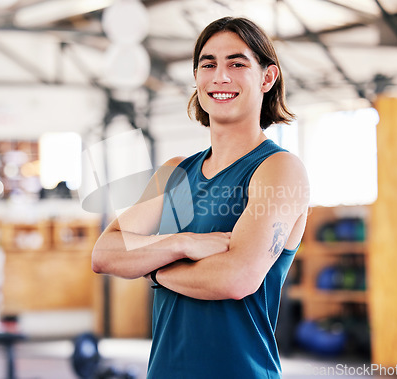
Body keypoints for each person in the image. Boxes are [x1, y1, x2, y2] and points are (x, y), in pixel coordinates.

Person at [92, 16, 309, 379]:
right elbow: (105, 253)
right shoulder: (177, 173)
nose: (220, 77)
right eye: (208, 64)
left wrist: (152, 267)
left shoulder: (278, 169)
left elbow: (236, 279)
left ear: (267, 77)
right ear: (196, 77)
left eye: (237, 64)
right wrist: (183, 243)